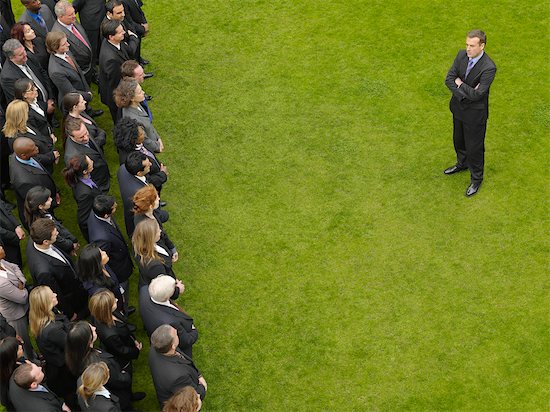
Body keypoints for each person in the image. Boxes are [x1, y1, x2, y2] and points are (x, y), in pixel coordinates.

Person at [444, 29, 497, 197]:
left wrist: (459, 84)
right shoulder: (461, 55)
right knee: (458, 140)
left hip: (475, 115)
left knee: (475, 147)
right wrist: (464, 90)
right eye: (467, 44)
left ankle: (476, 179)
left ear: (482, 46)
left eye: (472, 46)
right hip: (458, 109)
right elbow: (449, 79)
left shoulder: (489, 68)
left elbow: (478, 94)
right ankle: (462, 164)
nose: (468, 49)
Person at [65, 321, 145, 411]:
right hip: (117, 394)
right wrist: (125, 374)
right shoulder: (99, 364)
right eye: (91, 330)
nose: (94, 328)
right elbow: (118, 381)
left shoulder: (75, 355)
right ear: (88, 340)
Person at [26, 218, 88, 320]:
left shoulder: (35, 238)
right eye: (55, 234)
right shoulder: (44, 272)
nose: (58, 233)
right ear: (46, 241)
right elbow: (56, 294)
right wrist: (70, 313)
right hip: (73, 299)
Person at [28, 285, 77, 406]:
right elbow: (72, 344)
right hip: (64, 371)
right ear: (45, 304)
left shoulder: (43, 315)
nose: (55, 294)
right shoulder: (52, 330)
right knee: (73, 395)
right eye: (51, 295)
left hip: (57, 365)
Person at [87, 195, 134, 309]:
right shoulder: (102, 238)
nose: (116, 206)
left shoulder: (96, 214)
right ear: (106, 214)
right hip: (119, 268)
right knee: (123, 291)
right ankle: (123, 310)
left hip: (119, 256)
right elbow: (104, 261)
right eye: (113, 207)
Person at [148, 324, 206, 407]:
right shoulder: (178, 377)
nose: (176, 330)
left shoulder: (157, 347)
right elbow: (192, 395)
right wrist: (202, 386)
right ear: (173, 345)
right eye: (175, 334)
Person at [139, 276, 195, 358]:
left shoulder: (144, 290)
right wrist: (193, 330)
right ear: (167, 296)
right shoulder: (171, 322)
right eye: (174, 288)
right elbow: (186, 340)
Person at [9, 137, 59, 224]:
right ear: (23, 155)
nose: (37, 148)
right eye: (33, 149)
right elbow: (36, 203)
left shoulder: (21, 155)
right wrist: (53, 202)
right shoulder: (24, 181)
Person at [89, 290, 141, 371]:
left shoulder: (105, 313)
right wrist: (136, 350)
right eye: (113, 301)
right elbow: (122, 351)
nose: (116, 299)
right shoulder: (110, 335)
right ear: (107, 308)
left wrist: (133, 340)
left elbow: (124, 328)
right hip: (121, 358)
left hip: (126, 341)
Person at [113, 117, 167, 195]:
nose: (144, 134)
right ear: (133, 139)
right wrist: (162, 174)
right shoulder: (131, 159)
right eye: (141, 134)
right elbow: (146, 180)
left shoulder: (135, 144)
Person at [3, 99, 59, 174]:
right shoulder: (16, 139)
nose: (29, 112)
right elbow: (30, 158)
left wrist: (53, 149)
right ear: (21, 116)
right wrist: (51, 156)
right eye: (26, 111)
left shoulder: (26, 124)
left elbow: (41, 137)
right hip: (39, 170)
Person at [98, 19, 137, 122]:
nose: (124, 32)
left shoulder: (113, 42)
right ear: (111, 36)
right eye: (120, 32)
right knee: (120, 119)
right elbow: (116, 84)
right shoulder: (111, 59)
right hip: (115, 96)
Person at [0, 246, 35, 359]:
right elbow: (22, 297)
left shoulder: (2, 262)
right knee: (23, 343)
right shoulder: (1, 283)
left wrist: (21, 281)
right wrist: (23, 289)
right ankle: (32, 361)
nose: (1, 247)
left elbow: (15, 267)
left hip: (23, 307)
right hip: (15, 315)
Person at [23, 186, 78, 254]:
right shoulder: (43, 226)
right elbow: (58, 240)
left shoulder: (42, 212)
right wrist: (71, 245)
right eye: (48, 199)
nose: (51, 199)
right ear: (40, 206)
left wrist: (73, 239)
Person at [0, 39, 55, 108]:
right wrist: (45, 107)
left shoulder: (29, 56)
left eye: (24, 50)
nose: (25, 54)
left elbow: (43, 74)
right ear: (11, 58)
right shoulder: (8, 77)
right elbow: (21, 101)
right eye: (21, 54)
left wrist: (50, 98)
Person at [51, 1, 95, 85]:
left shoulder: (71, 21)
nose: (74, 16)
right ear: (61, 16)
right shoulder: (58, 34)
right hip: (81, 70)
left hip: (88, 65)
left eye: (74, 12)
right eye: (70, 15)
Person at [114, 78, 163, 152]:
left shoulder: (136, 104)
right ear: (132, 98)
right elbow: (144, 140)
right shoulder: (133, 119)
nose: (143, 92)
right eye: (140, 92)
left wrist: (158, 138)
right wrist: (157, 147)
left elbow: (148, 124)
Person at [46, 31, 92, 108]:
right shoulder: (56, 71)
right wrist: (88, 96)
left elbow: (78, 71)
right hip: (73, 103)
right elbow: (70, 92)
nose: (68, 44)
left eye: (66, 41)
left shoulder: (66, 51)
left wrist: (86, 88)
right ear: (55, 48)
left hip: (82, 91)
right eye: (64, 44)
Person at [63, 116, 110, 192]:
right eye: (81, 137)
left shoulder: (83, 130)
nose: (86, 138)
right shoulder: (72, 156)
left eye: (86, 133)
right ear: (71, 136)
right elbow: (79, 179)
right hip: (97, 184)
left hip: (102, 174)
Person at [63, 154, 103, 240]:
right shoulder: (85, 194)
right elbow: (83, 219)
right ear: (85, 171)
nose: (92, 161)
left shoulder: (80, 178)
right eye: (90, 162)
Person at [133, 220, 180, 293]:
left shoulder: (139, 245)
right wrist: (177, 289)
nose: (160, 231)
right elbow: (164, 288)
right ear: (151, 237)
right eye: (158, 230)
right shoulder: (155, 267)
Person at [77, 244, 124, 312]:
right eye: (102, 254)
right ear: (96, 263)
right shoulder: (97, 290)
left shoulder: (103, 265)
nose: (104, 252)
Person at [133, 185, 175, 256]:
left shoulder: (151, 212)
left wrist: (172, 248)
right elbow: (150, 244)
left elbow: (162, 233)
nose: (159, 198)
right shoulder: (144, 224)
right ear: (150, 206)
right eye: (156, 198)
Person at [117, 151, 151, 236]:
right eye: (147, 165)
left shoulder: (123, 169)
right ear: (139, 173)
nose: (150, 164)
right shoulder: (140, 193)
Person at [13, 78, 55, 143]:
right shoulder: (27, 114)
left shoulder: (36, 103)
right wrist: (50, 143)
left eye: (34, 86)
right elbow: (37, 135)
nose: (36, 89)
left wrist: (51, 132)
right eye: (32, 89)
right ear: (24, 95)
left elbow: (45, 121)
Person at [0, 198, 24, 265]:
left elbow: (6, 209)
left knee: (18, 259)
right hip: (5, 242)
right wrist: (14, 236)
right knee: (14, 265)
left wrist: (17, 226)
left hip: (13, 235)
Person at [0, 336, 22, 410]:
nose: (21, 347)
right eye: (18, 349)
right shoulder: (16, 375)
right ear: (12, 355)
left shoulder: (5, 366)